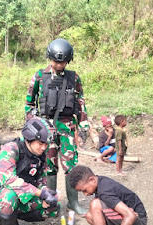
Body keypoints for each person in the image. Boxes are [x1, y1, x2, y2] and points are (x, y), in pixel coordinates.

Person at [25, 38, 89, 215]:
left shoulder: (73, 77)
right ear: (49, 58)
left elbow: (80, 101)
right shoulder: (39, 76)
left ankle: (73, 203)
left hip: (68, 128)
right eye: (55, 61)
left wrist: (84, 124)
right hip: (46, 129)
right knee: (49, 167)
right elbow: (29, 104)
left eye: (62, 61)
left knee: (71, 166)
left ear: (68, 61)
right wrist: (32, 125)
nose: (59, 64)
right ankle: (51, 203)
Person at [0, 117, 60, 225]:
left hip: (22, 195)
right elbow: (8, 181)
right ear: (30, 138)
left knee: (53, 208)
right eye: (40, 143)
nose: (43, 147)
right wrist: (41, 194)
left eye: (46, 144)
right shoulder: (11, 149)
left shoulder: (40, 156)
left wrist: (47, 193)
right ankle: (2, 215)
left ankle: (14, 214)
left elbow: (41, 181)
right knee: (9, 197)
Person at [69, 165, 147, 225]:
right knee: (89, 215)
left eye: (85, 190)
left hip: (138, 219)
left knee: (95, 204)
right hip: (127, 214)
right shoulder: (100, 181)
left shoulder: (104, 191)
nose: (85, 194)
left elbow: (130, 215)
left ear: (92, 180)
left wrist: (128, 212)